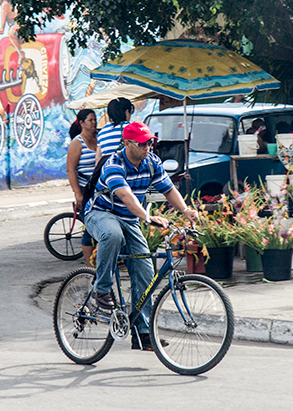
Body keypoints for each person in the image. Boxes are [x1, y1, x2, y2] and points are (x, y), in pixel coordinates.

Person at [82, 121, 199, 351]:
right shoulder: (114, 163)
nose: (147, 147)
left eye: (150, 142)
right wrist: (147, 217)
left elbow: (168, 189)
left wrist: (185, 210)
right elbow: (125, 196)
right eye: (142, 143)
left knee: (146, 272)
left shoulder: (151, 162)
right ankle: (101, 289)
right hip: (101, 213)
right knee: (113, 235)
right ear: (127, 143)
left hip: (130, 218)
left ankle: (143, 334)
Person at [66, 109, 101, 261]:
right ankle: (89, 265)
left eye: (95, 119)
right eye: (90, 120)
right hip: (87, 193)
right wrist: (78, 193)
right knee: (89, 228)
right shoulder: (77, 143)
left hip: (101, 191)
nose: (94, 123)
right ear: (81, 123)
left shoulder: (100, 138)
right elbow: (70, 169)